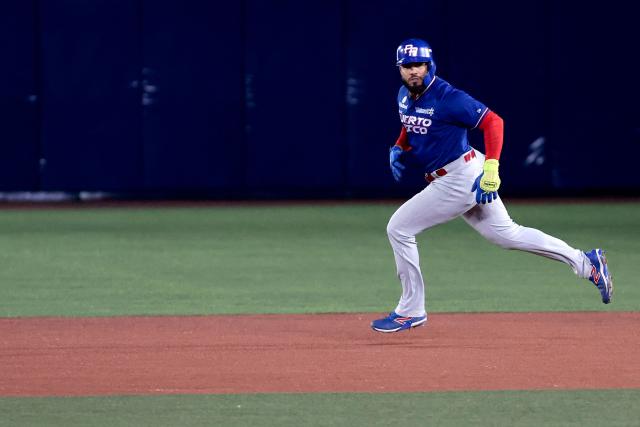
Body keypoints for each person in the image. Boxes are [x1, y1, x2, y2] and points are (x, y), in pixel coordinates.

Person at [371, 38, 613, 333]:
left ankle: (411, 311)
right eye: (407, 66)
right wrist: (398, 146)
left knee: (399, 228)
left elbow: (493, 122)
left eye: (418, 65)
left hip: (460, 178)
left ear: (429, 65)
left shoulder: (449, 98)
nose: (413, 71)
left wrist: (492, 169)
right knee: (508, 235)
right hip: (456, 175)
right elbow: (410, 124)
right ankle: (586, 263)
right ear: (399, 69)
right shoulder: (404, 95)